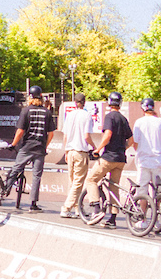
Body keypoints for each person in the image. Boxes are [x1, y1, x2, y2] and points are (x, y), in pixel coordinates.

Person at [2, 85, 56, 212]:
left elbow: (20, 131)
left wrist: (13, 144)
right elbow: (51, 133)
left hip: (27, 147)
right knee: (36, 175)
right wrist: (45, 146)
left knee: (16, 169)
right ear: (41, 97)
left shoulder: (26, 111)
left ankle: (3, 193)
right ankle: (33, 204)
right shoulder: (47, 112)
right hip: (39, 149)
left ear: (30, 98)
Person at [85, 91, 133, 228]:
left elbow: (107, 135)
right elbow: (131, 140)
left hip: (109, 157)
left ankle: (96, 209)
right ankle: (112, 219)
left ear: (109, 102)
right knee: (114, 187)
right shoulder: (123, 119)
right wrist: (123, 148)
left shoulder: (109, 117)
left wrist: (98, 149)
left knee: (91, 179)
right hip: (121, 159)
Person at [59, 93, 95, 218]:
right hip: (81, 151)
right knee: (79, 182)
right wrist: (94, 147)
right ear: (84, 102)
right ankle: (66, 207)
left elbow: (65, 136)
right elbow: (87, 136)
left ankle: (77, 208)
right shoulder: (87, 116)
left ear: (75, 103)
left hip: (70, 151)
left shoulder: (69, 115)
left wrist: (66, 151)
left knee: (72, 181)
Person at [131, 97, 161, 231]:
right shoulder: (159, 122)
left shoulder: (139, 122)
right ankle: (158, 221)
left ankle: (143, 220)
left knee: (142, 191)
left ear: (143, 108)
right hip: (158, 161)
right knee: (158, 192)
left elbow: (135, 143)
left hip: (143, 162)